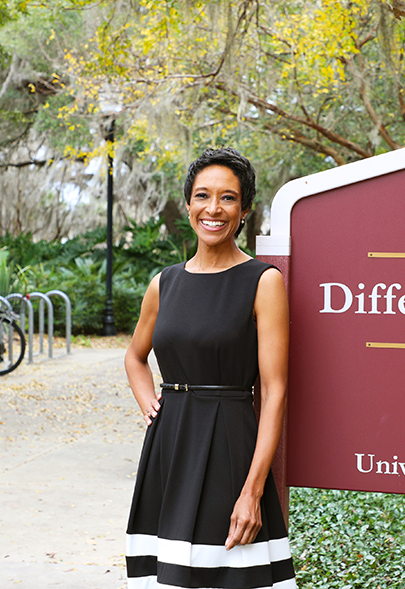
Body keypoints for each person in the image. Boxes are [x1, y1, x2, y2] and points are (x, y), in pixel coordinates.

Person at [123, 148, 296, 589]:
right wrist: (150, 405)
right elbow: (135, 356)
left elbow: (274, 392)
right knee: (168, 575)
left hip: (229, 448)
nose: (213, 209)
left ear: (245, 210)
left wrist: (254, 490)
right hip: (169, 448)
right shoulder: (165, 282)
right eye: (203, 196)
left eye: (228, 198)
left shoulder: (263, 281)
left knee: (229, 574)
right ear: (188, 205)